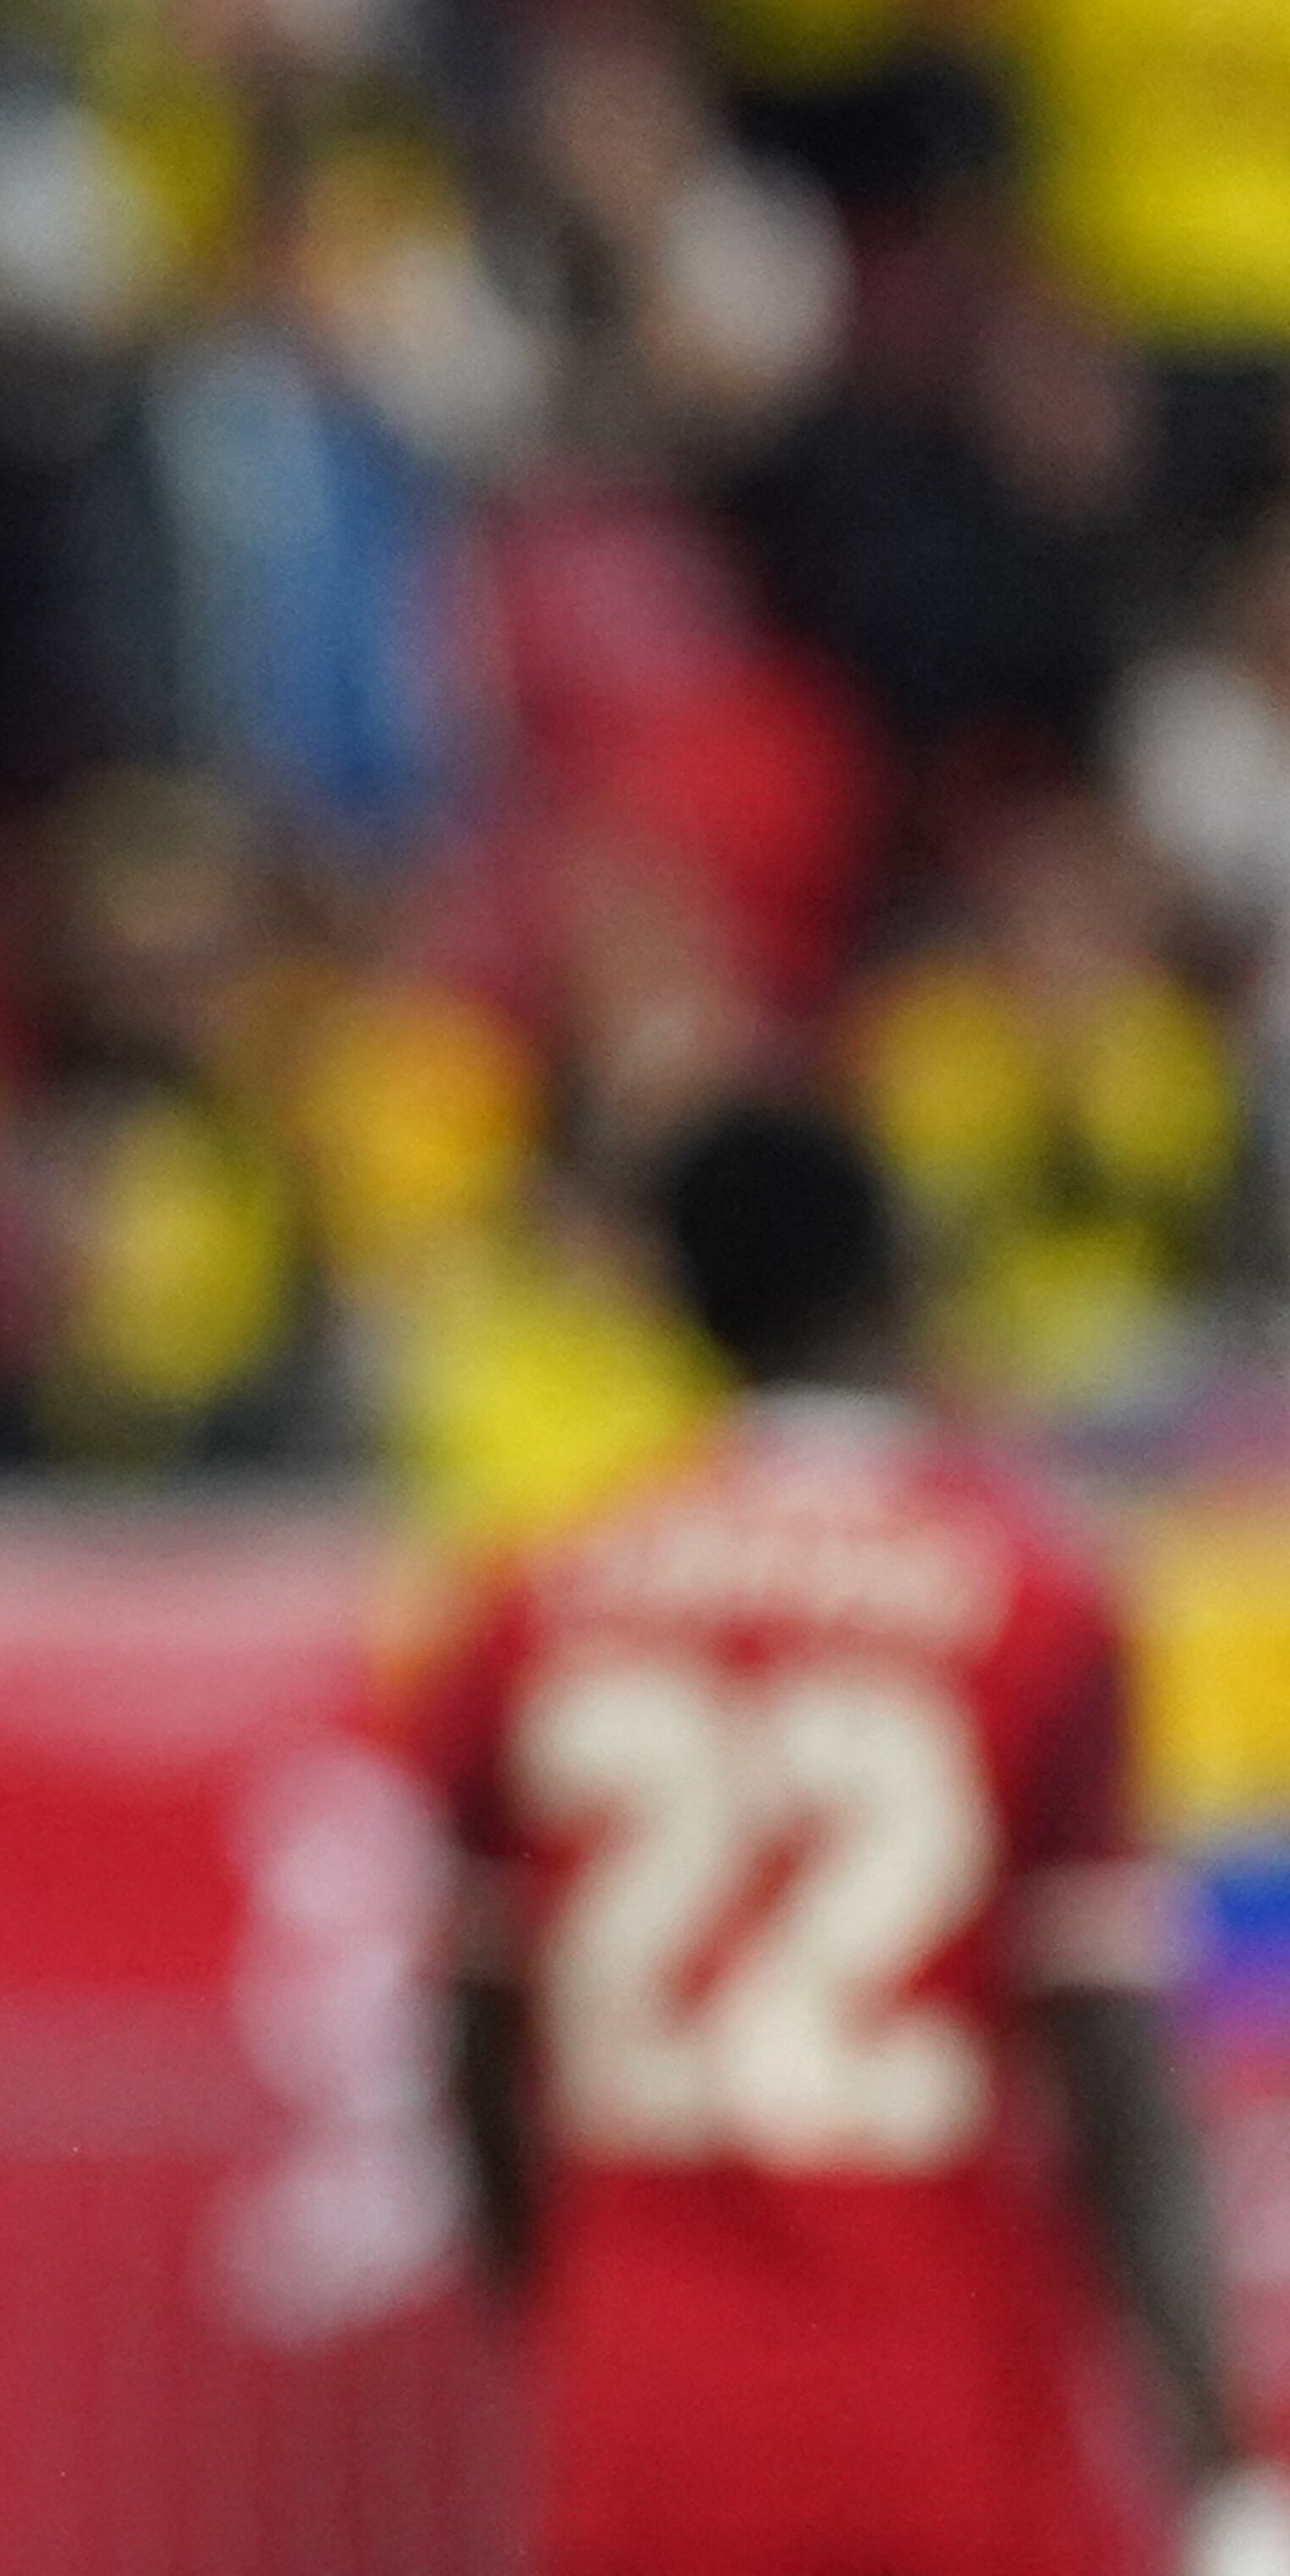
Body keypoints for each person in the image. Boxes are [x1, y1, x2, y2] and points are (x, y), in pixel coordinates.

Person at [425, 1100, 1283, 2576]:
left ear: (683, 1310)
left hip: (643, 2423)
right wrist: (1219, 2472)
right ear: (897, 1281)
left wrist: (571, 2317)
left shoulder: (538, 1599)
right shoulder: (1030, 1596)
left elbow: (472, 2048)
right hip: (937, 2400)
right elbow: (1111, 2069)